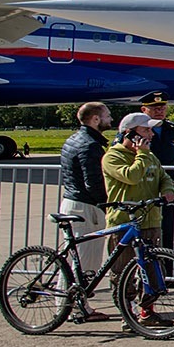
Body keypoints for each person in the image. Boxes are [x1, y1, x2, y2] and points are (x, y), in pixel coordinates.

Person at [102, 112, 174, 327]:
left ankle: (147, 311)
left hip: (150, 219)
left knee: (153, 270)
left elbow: (164, 177)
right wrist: (141, 154)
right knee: (122, 270)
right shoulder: (113, 156)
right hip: (124, 222)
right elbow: (131, 176)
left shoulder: (150, 155)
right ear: (130, 133)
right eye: (146, 130)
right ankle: (127, 313)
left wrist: (168, 190)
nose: (151, 134)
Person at [58, 102, 113, 322]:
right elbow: (94, 184)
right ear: (95, 119)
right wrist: (110, 203)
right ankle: (74, 308)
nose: (111, 119)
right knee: (86, 261)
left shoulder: (74, 139)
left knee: (76, 260)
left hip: (72, 201)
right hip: (85, 207)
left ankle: (67, 306)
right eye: (107, 115)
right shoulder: (90, 145)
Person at [137, 91, 174, 247]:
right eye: (154, 109)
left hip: (166, 186)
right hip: (144, 186)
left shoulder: (173, 129)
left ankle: (166, 268)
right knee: (143, 230)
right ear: (144, 110)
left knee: (167, 229)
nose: (159, 112)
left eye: (162, 108)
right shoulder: (136, 129)